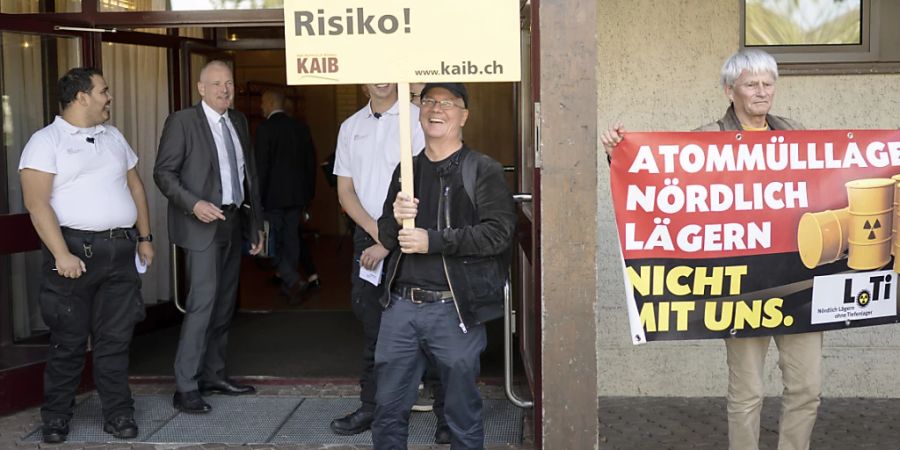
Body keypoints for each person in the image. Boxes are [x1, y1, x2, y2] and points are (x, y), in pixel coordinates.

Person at [601, 49, 817, 450]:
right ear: (729, 90)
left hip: (798, 280)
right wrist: (619, 154)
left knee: (807, 387)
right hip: (742, 286)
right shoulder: (707, 138)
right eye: (751, 84)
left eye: (768, 83)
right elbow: (661, 178)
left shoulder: (796, 133)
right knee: (747, 392)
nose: (761, 92)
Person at [372, 83, 517, 449]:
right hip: (401, 309)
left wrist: (432, 240)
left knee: (461, 416)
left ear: (464, 115)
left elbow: (498, 235)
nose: (436, 109)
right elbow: (388, 239)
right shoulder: (407, 169)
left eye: (448, 103)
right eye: (429, 101)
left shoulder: (482, 169)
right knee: (387, 411)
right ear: (419, 110)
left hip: (454, 311)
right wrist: (394, 215)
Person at [19, 67, 154, 443]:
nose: (109, 97)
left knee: (115, 340)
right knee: (69, 340)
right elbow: (36, 202)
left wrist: (145, 237)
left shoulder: (113, 136)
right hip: (74, 254)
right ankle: (57, 417)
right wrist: (60, 253)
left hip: (120, 250)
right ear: (81, 97)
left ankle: (118, 414)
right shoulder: (46, 141)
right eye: (103, 91)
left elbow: (136, 187)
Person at [154, 60, 264, 414]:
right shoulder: (182, 121)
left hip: (232, 222)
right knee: (202, 304)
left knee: (223, 304)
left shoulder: (239, 121)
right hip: (200, 223)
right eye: (216, 84)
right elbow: (163, 173)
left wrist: (256, 225)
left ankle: (214, 374)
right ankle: (186, 385)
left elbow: (249, 177)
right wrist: (194, 204)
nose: (224, 90)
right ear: (201, 88)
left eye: (229, 83)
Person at [330, 83, 427, 437]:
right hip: (368, 235)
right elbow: (345, 190)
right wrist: (376, 234)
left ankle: (446, 412)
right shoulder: (350, 126)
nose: (380, 78)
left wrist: (388, 240)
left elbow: (424, 186)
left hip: (412, 236)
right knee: (373, 324)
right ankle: (372, 406)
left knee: (427, 324)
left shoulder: (418, 120)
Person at [256, 89, 319, 301]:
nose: (261, 107)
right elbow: (311, 163)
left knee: (274, 241)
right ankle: (289, 285)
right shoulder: (300, 128)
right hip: (297, 196)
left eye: (263, 102)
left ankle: (292, 280)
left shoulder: (264, 129)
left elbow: (261, 167)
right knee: (291, 239)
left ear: (272, 102)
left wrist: (256, 198)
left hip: (271, 197)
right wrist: (308, 194)